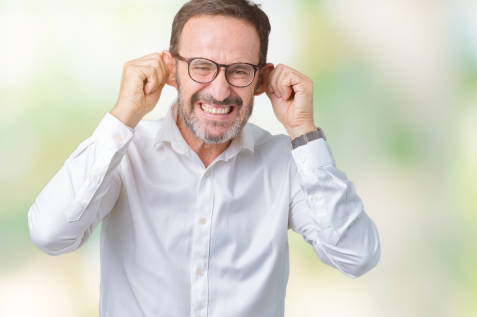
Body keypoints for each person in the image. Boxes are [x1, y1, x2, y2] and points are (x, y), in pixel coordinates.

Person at [27, 0, 380, 316]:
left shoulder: (284, 162)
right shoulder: (124, 153)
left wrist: (303, 130)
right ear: (171, 70)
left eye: (239, 70)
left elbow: (356, 256)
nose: (220, 89)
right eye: (201, 66)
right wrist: (124, 115)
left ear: (260, 79)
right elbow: (50, 234)